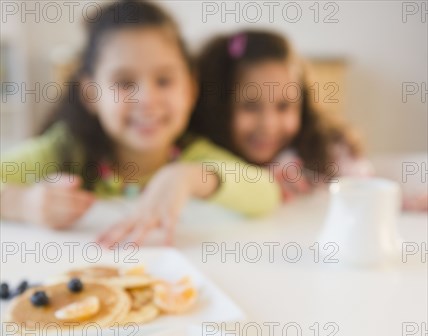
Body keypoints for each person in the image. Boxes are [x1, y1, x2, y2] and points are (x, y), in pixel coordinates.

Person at [1, 1, 280, 246]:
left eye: (164, 81)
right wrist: (23, 204)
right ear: (91, 94)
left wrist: (189, 177)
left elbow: (266, 192)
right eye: (124, 83)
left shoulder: (191, 156)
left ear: (190, 89)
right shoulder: (65, 149)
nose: (147, 99)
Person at [191, 30, 374, 202]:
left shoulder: (325, 151)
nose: (269, 125)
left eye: (283, 106)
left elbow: (366, 190)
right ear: (218, 108)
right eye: (251, 106)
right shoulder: (201, 159)